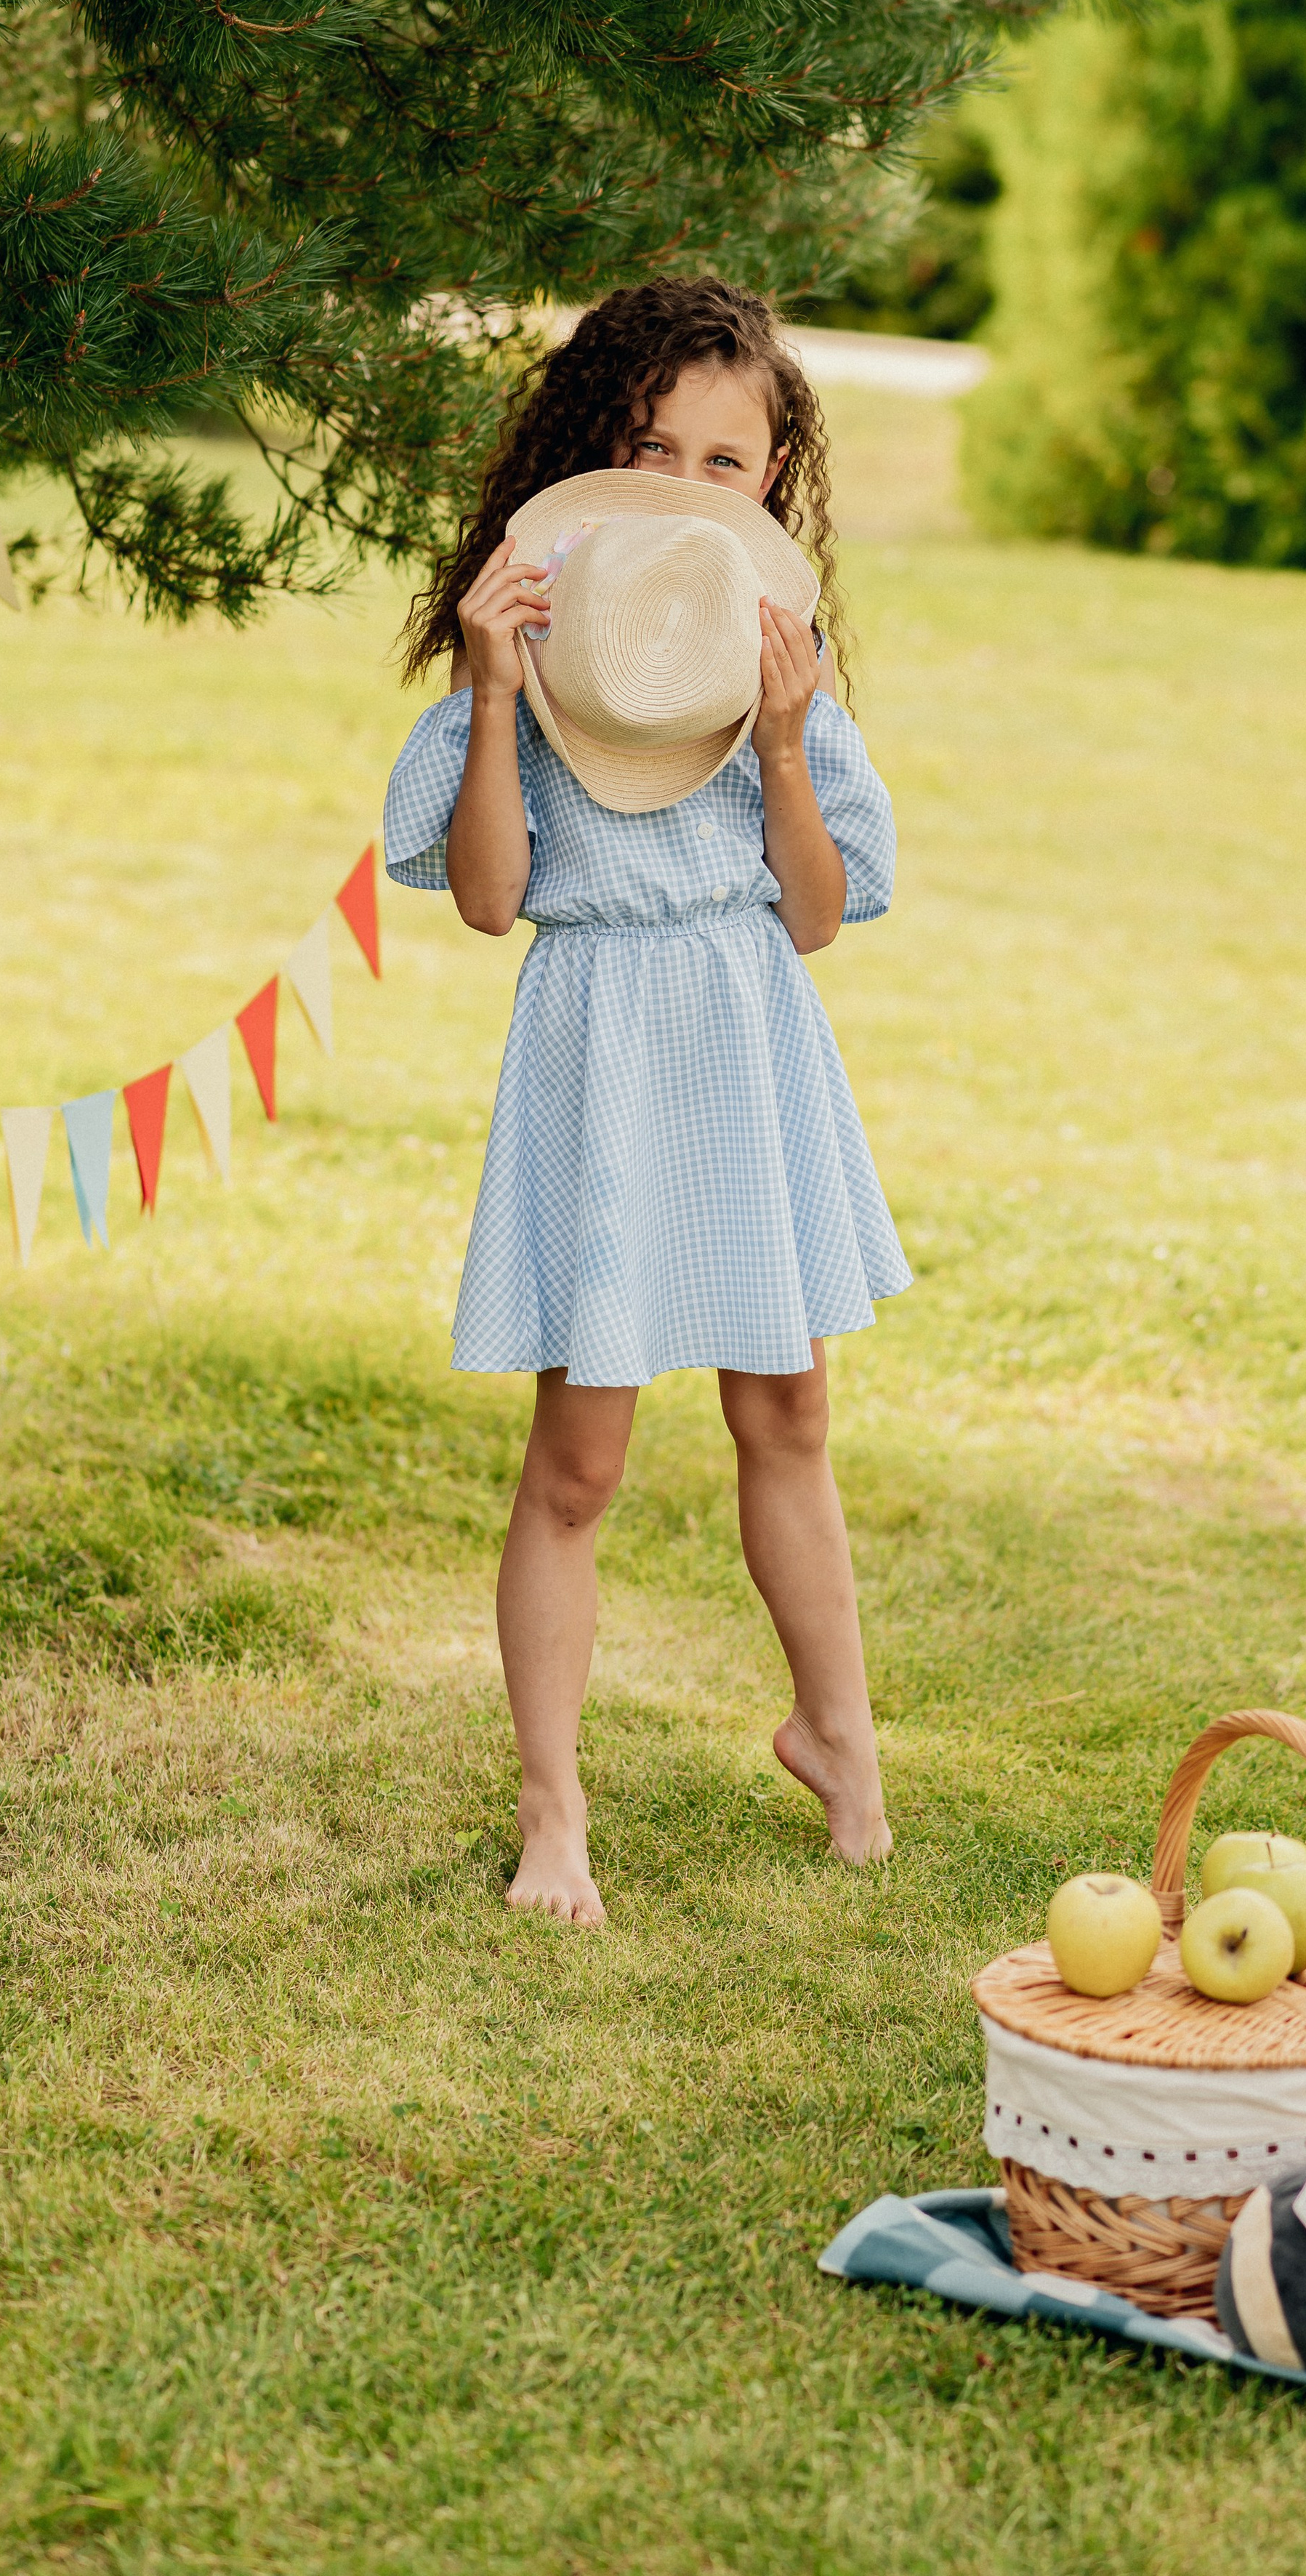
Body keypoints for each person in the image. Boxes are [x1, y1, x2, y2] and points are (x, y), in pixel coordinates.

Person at [386, 278, 909, 1925]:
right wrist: (487, 696)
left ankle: (840, 1739)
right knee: (577, 1463)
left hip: (746, 1038)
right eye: (650, 446)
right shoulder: (546, 665)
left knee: (790, 1415)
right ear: (591, 452)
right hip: (600, 1046)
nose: (688, 487)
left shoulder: (776, 678)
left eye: (726, 459)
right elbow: (487, 899)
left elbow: (817, 914)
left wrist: (779, 735)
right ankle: (555, 1812)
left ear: (770, 478)